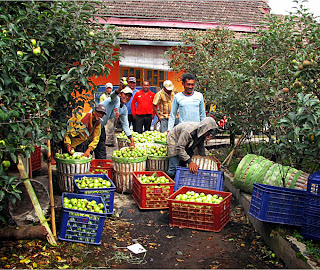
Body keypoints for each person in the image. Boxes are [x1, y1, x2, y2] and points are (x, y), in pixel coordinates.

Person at [94, 84, 135, 159]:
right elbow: (113, 95)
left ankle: (100, 167)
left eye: (129, 96)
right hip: (92, 122)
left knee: (101, 152)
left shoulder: (124, 109)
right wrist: (119, 88)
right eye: (125, 94)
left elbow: (125, 125)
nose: (127, 97)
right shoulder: (115, 99)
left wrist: (131, 139)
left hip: (100, 126)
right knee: (87, 148)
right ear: (120, 94)